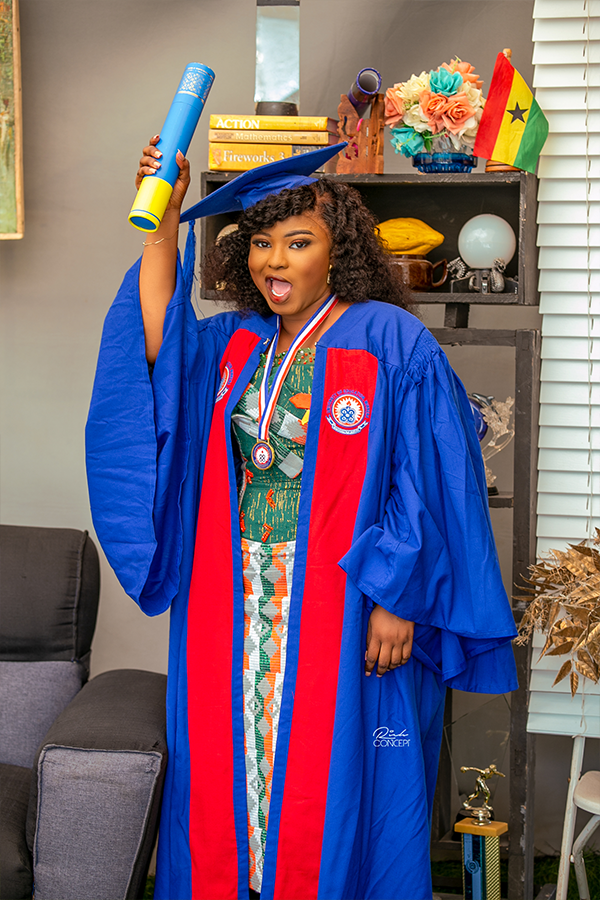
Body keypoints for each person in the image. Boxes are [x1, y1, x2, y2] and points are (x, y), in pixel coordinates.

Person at [86, 140, 518, 900]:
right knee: (234, 758)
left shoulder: (389, 339)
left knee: (343, 761)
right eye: (260, 243)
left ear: (337, 251)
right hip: (234, 591)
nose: (274, 260)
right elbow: (154, 349)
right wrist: (163, 223)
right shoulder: (232, 342)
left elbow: (427, 474)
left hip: (342, 593)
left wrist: (395, 597)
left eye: (297, 242)